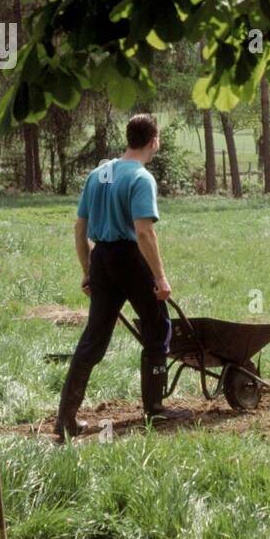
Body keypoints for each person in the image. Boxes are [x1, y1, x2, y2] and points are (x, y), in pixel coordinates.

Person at [55, 114, 172, 439]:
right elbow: (144, 232)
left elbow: (80, 228)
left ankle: (65, 419)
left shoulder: (99, 174)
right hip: (129, 257)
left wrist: (87, 269)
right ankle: (155, 409)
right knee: (158, 327)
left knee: (94, 337)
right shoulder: (141, 178)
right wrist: (160, 278)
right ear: (154, 140)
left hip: (102, 258)